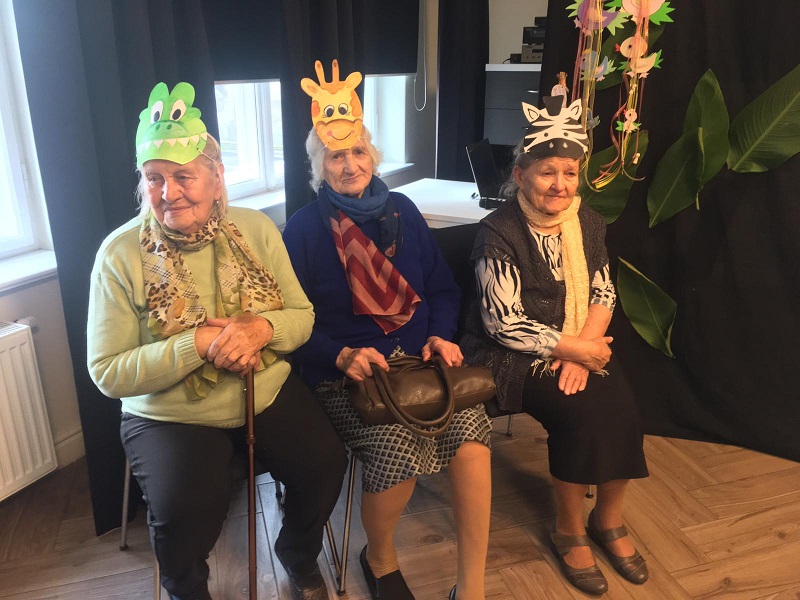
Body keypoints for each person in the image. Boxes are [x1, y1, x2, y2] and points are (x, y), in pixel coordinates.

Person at [87, 81, 347, 600]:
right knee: (185, 511)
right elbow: (108, 371)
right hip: (170, 414)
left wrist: (263, 328)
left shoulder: (256, 229)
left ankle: (296, 553)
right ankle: (188, 590)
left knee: (324, 465)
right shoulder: (119, 255)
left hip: (262, 391)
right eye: (154, 178)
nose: (169, 192)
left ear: (217, 176)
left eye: (183, 176)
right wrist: (195, 345)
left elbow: (302, 317)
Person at [283, 60, 492, 600]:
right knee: (398, 452)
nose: (350, 165)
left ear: (372, 156)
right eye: (336, 156)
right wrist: (341, 356)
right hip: (347, 375)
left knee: (473, 444)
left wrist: (440, 336)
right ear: (320, 166)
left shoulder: (404, 211)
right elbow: (291, 324)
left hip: (422, 360)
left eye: (358, 152)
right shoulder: (302, 230)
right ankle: (378, 558)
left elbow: (442, 289)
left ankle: (471, 588)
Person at [460, 96, 649, 596]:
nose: (559, 184)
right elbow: (502, 323)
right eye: (547, 172)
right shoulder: (497, 231)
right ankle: (568, 530)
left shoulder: (586, 222)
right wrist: (575, 351)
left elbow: (603, 291)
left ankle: (607, 520)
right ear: (520, 175)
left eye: (569, 173)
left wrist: (584, 348)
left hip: (576, 340)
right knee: (580, 411)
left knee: (622, 404)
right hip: (507, 353)